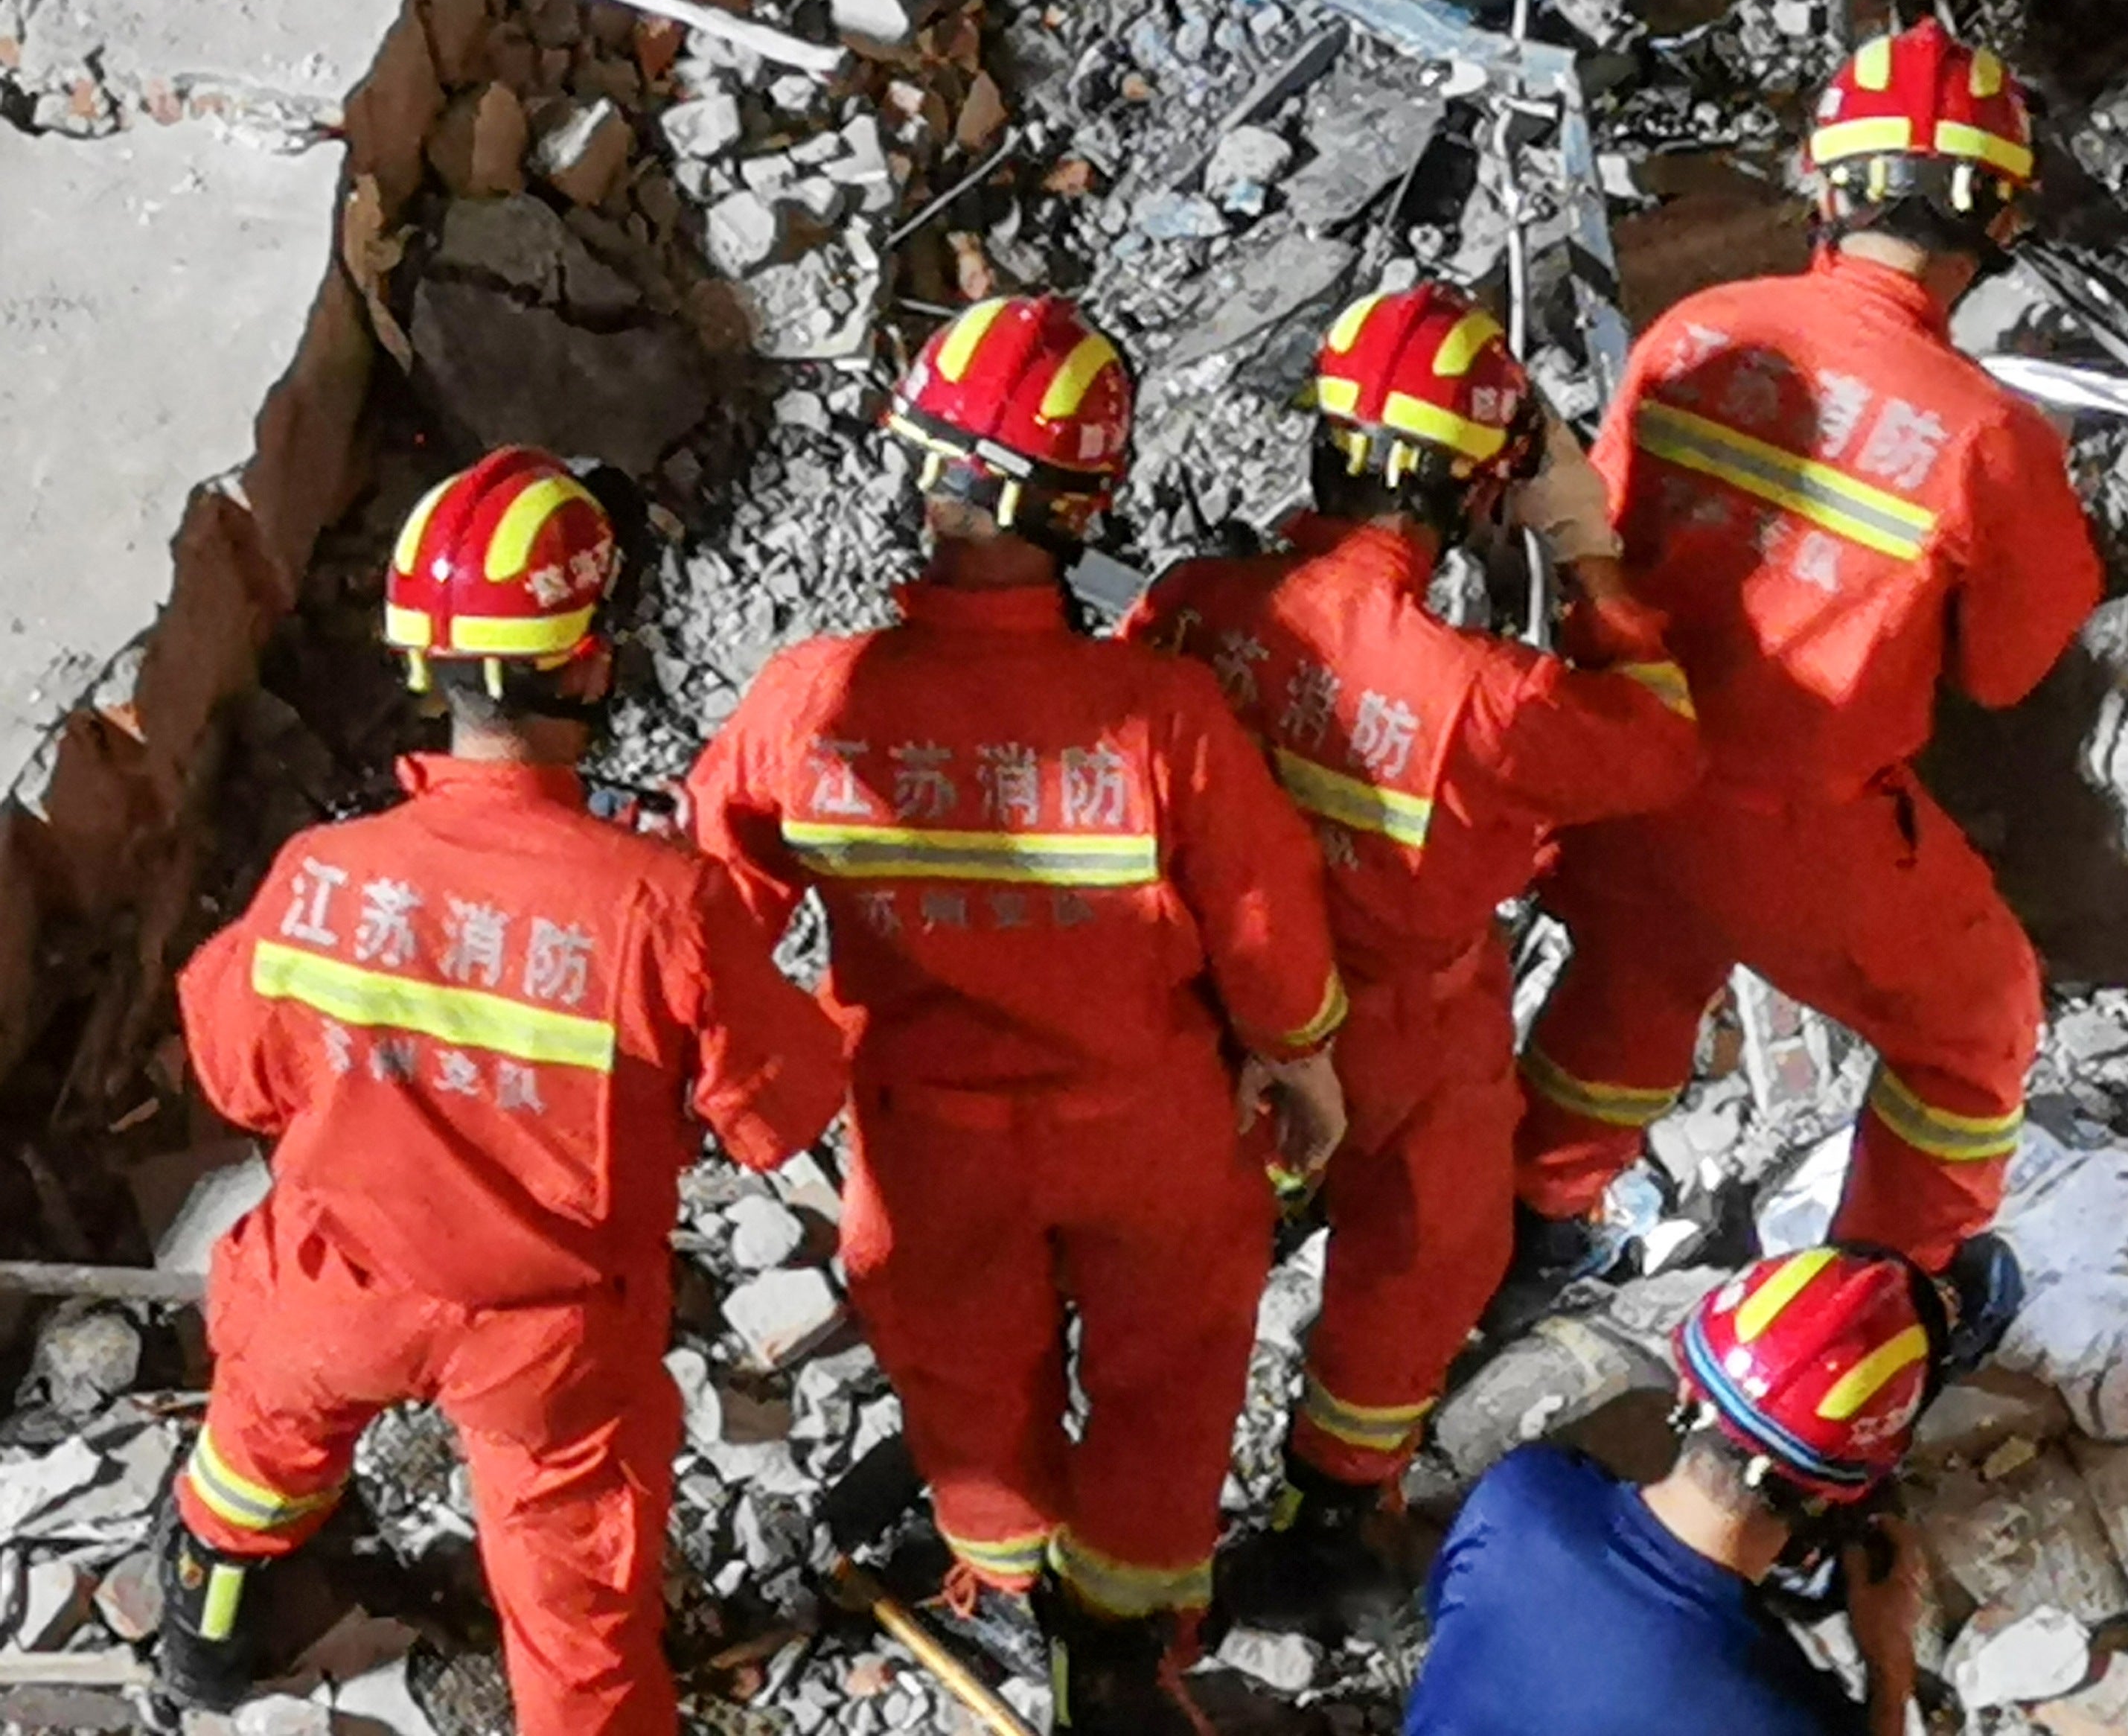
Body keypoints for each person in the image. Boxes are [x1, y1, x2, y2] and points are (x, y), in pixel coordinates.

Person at [684, 295, 1349, 1732]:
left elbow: (705, 919)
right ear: (1085, 505)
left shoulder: (809, 703)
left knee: (966, 1375)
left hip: (926, 1143)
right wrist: (1304, 1067)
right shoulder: (1158, 713)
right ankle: (1116, 1644)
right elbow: (1266, 932)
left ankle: (1005, 1574)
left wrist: (756, 1094)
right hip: (1150, 1127)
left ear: (923, 471)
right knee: (1168, 1380)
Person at [157, 447, 846, 1736]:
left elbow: (236, 1067)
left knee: (254, 1453)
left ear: (423, 663)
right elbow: (784, 1114)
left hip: (335, 1286)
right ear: (590, 664)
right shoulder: (663, 904)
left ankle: (201, 1647)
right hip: (548, 1337)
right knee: (577, 1619)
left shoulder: (320, 874)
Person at [1506, 17, 2102, 1323]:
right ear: (1996, 222)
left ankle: (1528, 1234)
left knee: (1626, 984)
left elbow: (1594, 542)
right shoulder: (1991, 439)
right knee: (1974, 1024)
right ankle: (1877, 1308)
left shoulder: (1697, 331)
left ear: (1826, 187)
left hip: (1620, 769)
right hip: (1800, 827)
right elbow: (2004, 675)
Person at [1122, 283, 1703, 1618]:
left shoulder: (1196, 604)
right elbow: (1662, 749)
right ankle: (1330, 1511)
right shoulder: (1486, 696)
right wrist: (1591, 559)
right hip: (1404, 1030)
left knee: (1176, 1268)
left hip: (1204, 1013)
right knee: (1423, 1255)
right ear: (1474, 493)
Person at [1410, 1247, 1944, 1736]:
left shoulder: (1522, 1497)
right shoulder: (1785, 1712)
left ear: (1689, 1388)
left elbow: (1453, 1617)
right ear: (1841, 1493)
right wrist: (1888, 1664)